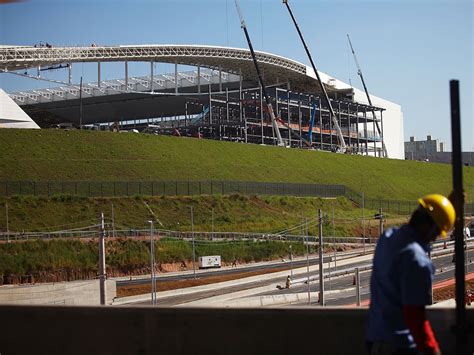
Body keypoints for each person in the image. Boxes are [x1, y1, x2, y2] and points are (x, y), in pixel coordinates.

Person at [366, 194, 455, 355]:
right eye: (436, 233)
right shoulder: (417, 261)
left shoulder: (387, 238)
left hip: (374, 341)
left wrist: (446, 206)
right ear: (429, 227)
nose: (434, 238)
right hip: (400, 347)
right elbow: (416, 319)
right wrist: (433, 351)